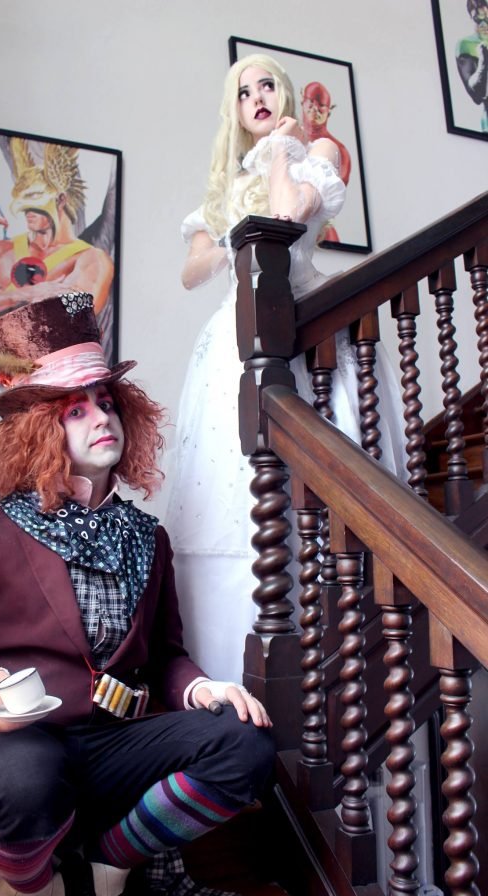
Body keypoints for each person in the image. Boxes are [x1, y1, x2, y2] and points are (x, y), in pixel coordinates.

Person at [0, 290, 275, 896]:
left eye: (107, 403)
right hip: (12, 747)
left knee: (246, 742)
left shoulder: (149, 536)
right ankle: (30, 884)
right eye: (76, 410)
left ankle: (108, 862)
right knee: (26, 777)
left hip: (113, 743)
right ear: (41, 430)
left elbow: (165, 656)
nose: (102, 418)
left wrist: (204, 689)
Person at [165, 54, 408, 684]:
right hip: (236, 335)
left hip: (307, 323)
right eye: (243, 92)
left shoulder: (315, 152)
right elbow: (191, 272)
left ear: (286, 93)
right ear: (234, 110)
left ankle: (339, 652)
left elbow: (287, 213)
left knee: (325, 479)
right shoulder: (226, 183)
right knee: (240, 487)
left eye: (267, 84)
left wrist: (281, 148)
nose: (257, 97)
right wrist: (227, 238)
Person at [0, 139, 114, 334]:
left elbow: (71, 321)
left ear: (60, 199)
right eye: (21, 200)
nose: (24, 208)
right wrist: (27, 294)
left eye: (35, 198)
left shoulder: (92, 259)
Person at [300, 81, 351, 243]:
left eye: (321, 106)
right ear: (302, 102)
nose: (314, 110)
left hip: (321, 235)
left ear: (329, 111)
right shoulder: (288, 140)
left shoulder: (340, 151)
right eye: (311, 103)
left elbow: (327, 198)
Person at [456, 0, 488, 132]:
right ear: (471, 18)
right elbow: (477, 95)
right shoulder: (466, 44)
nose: (484, 24)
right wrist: (483, 61)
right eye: (478, 19)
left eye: (486, 18)